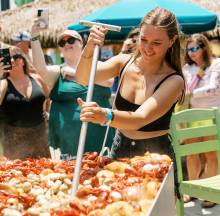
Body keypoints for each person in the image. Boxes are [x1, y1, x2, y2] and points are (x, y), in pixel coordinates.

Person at [75, 7, 185, 161]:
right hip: (120, 146)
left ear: (171, 41)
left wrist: (104, 115)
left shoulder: (174, 80)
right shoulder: (123, 62)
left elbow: (140, 119)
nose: (147, 48)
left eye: (156, 43)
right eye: (144, 39)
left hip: (155, 155)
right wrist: (90, 46)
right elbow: (83, 77)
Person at [31, 20, 115, 160]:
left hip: (99, 130)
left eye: (71, 40)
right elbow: (40, 68)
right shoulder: (58, 71)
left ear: (82, 43)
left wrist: (76, 73)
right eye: (62, 43)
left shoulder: (97, 64)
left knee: (105, 172)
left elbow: (108, 82)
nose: (67, 44)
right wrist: (34, 36)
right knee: (72, 176)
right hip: (70, 137)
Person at [182, 33, 220, 207]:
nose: (191, 53)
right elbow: (182, 90)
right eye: (188, 49)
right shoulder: (187, 68)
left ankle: (210, 194)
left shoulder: (216, 64)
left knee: (211, 155)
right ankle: (192, 190)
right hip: (192, 115)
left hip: (211, 115)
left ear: (204, 48)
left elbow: (215, 88)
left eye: (194, 49)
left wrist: (192, 93)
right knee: (191, 155)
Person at [0, 46, 50, 159]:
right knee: (18, 173)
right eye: (8, 58)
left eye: (16, 57)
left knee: (45, 172)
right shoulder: (3, 83)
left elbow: (49, 97)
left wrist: (48, 112)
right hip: (14, 141)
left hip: (40, 136)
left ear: (23, 60)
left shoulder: (37, 78)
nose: (12, 60)